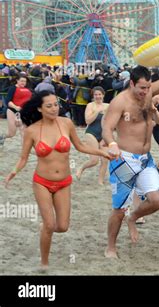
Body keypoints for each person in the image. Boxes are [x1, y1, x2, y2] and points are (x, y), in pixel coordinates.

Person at [4, 90, 111, 268]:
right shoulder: (31, 131)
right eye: (49, 106)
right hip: (42, 182)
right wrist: (13, 172)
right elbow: (23, 158)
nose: (54, 109)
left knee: (62, 226)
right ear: (39, 108)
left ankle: (45, 228)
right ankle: (44, 263)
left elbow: (81, 146)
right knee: (49, 224)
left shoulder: (67, 123)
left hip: (63, 182)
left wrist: (102, 152)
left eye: (56, 104)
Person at [102, 45, 159, 258]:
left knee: (158, 200)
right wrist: (112, 144)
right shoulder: (120, 102)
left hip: (145, 159)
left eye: (148, 88)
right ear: (132, 83)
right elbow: (107, 127)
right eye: (142, 88)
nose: (146, 92)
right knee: (118, 209)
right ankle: (111, 247)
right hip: (124, 160)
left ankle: (133, 217)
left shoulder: (149, 92)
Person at [76, 87, 110, 185]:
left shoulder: (108, 106)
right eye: (95, 95)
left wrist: (107, 137)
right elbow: (87, 121)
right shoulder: (90, 105)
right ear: (93, 96)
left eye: (99, 94)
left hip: (104, 134)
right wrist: (97, 111)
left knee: (105, 159)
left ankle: (100, 181)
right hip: (91, 133)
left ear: (103, 95)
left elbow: (111, 122)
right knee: (94, 160)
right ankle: (81, 168)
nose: (98, 96)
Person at [0, 74, 32, 145]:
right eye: (21, 81)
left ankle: (25, 150)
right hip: (12, 111)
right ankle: (2, 136)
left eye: (25, 81)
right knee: (12, 133)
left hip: (23, 113)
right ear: (17, 80)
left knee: (23, 131)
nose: (23, 83)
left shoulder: (28, 89)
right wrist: (15, 107)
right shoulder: (12, 88)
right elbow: (8, 101)